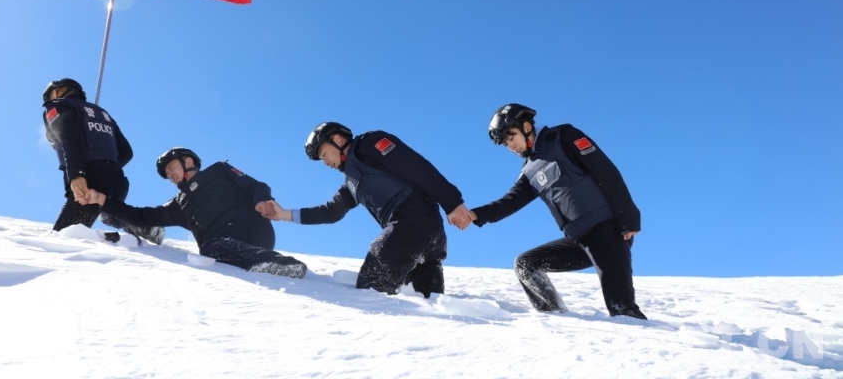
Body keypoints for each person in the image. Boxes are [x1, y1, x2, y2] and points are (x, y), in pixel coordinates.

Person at [467, 104, 646, 319]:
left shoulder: (564, 137)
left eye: (511, 137)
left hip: (606, 231)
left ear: (526, 127)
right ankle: (556, 320)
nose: (510, 146)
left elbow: (606, 172)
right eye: (505, 143)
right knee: (526, 265)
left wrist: (628, 215)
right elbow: (510, 201)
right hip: (579, 240)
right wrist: (475, 215)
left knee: (622, 310)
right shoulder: (529, 170)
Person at [265, 122, 472, 298]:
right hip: (425, 237)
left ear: (337, 140)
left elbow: (416, 167)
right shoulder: (351, 183)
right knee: (428, 304)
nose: (325, 162)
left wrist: (453, 203)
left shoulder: (370, 143)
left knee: (371, 288)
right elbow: (331, 212)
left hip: (413, 221)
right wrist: (284, 214)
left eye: (324, 154)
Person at [80, 147, 307, 279]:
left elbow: (256, 185)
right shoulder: (179, 205)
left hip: (252, 230)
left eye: (171, 168)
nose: (170, 175)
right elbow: (141, 217)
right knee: (210, 248)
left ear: (188, 161)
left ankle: (280, 263)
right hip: (223, 248)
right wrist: (102, 201)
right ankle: (265, 265)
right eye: (167, 174)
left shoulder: (218, 171)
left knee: (210, 248)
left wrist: (262, 200)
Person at [42, 78, 163, 244]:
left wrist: (77, 175)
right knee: (108, 215)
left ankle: (121, 241)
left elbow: (69, 138)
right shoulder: (103, 114)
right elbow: (126, 152)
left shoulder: (58, 106)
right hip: (117, 181)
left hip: (89, 182)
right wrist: (107, 167)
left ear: (55, 93)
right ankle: (141, 226)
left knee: (63, 239)